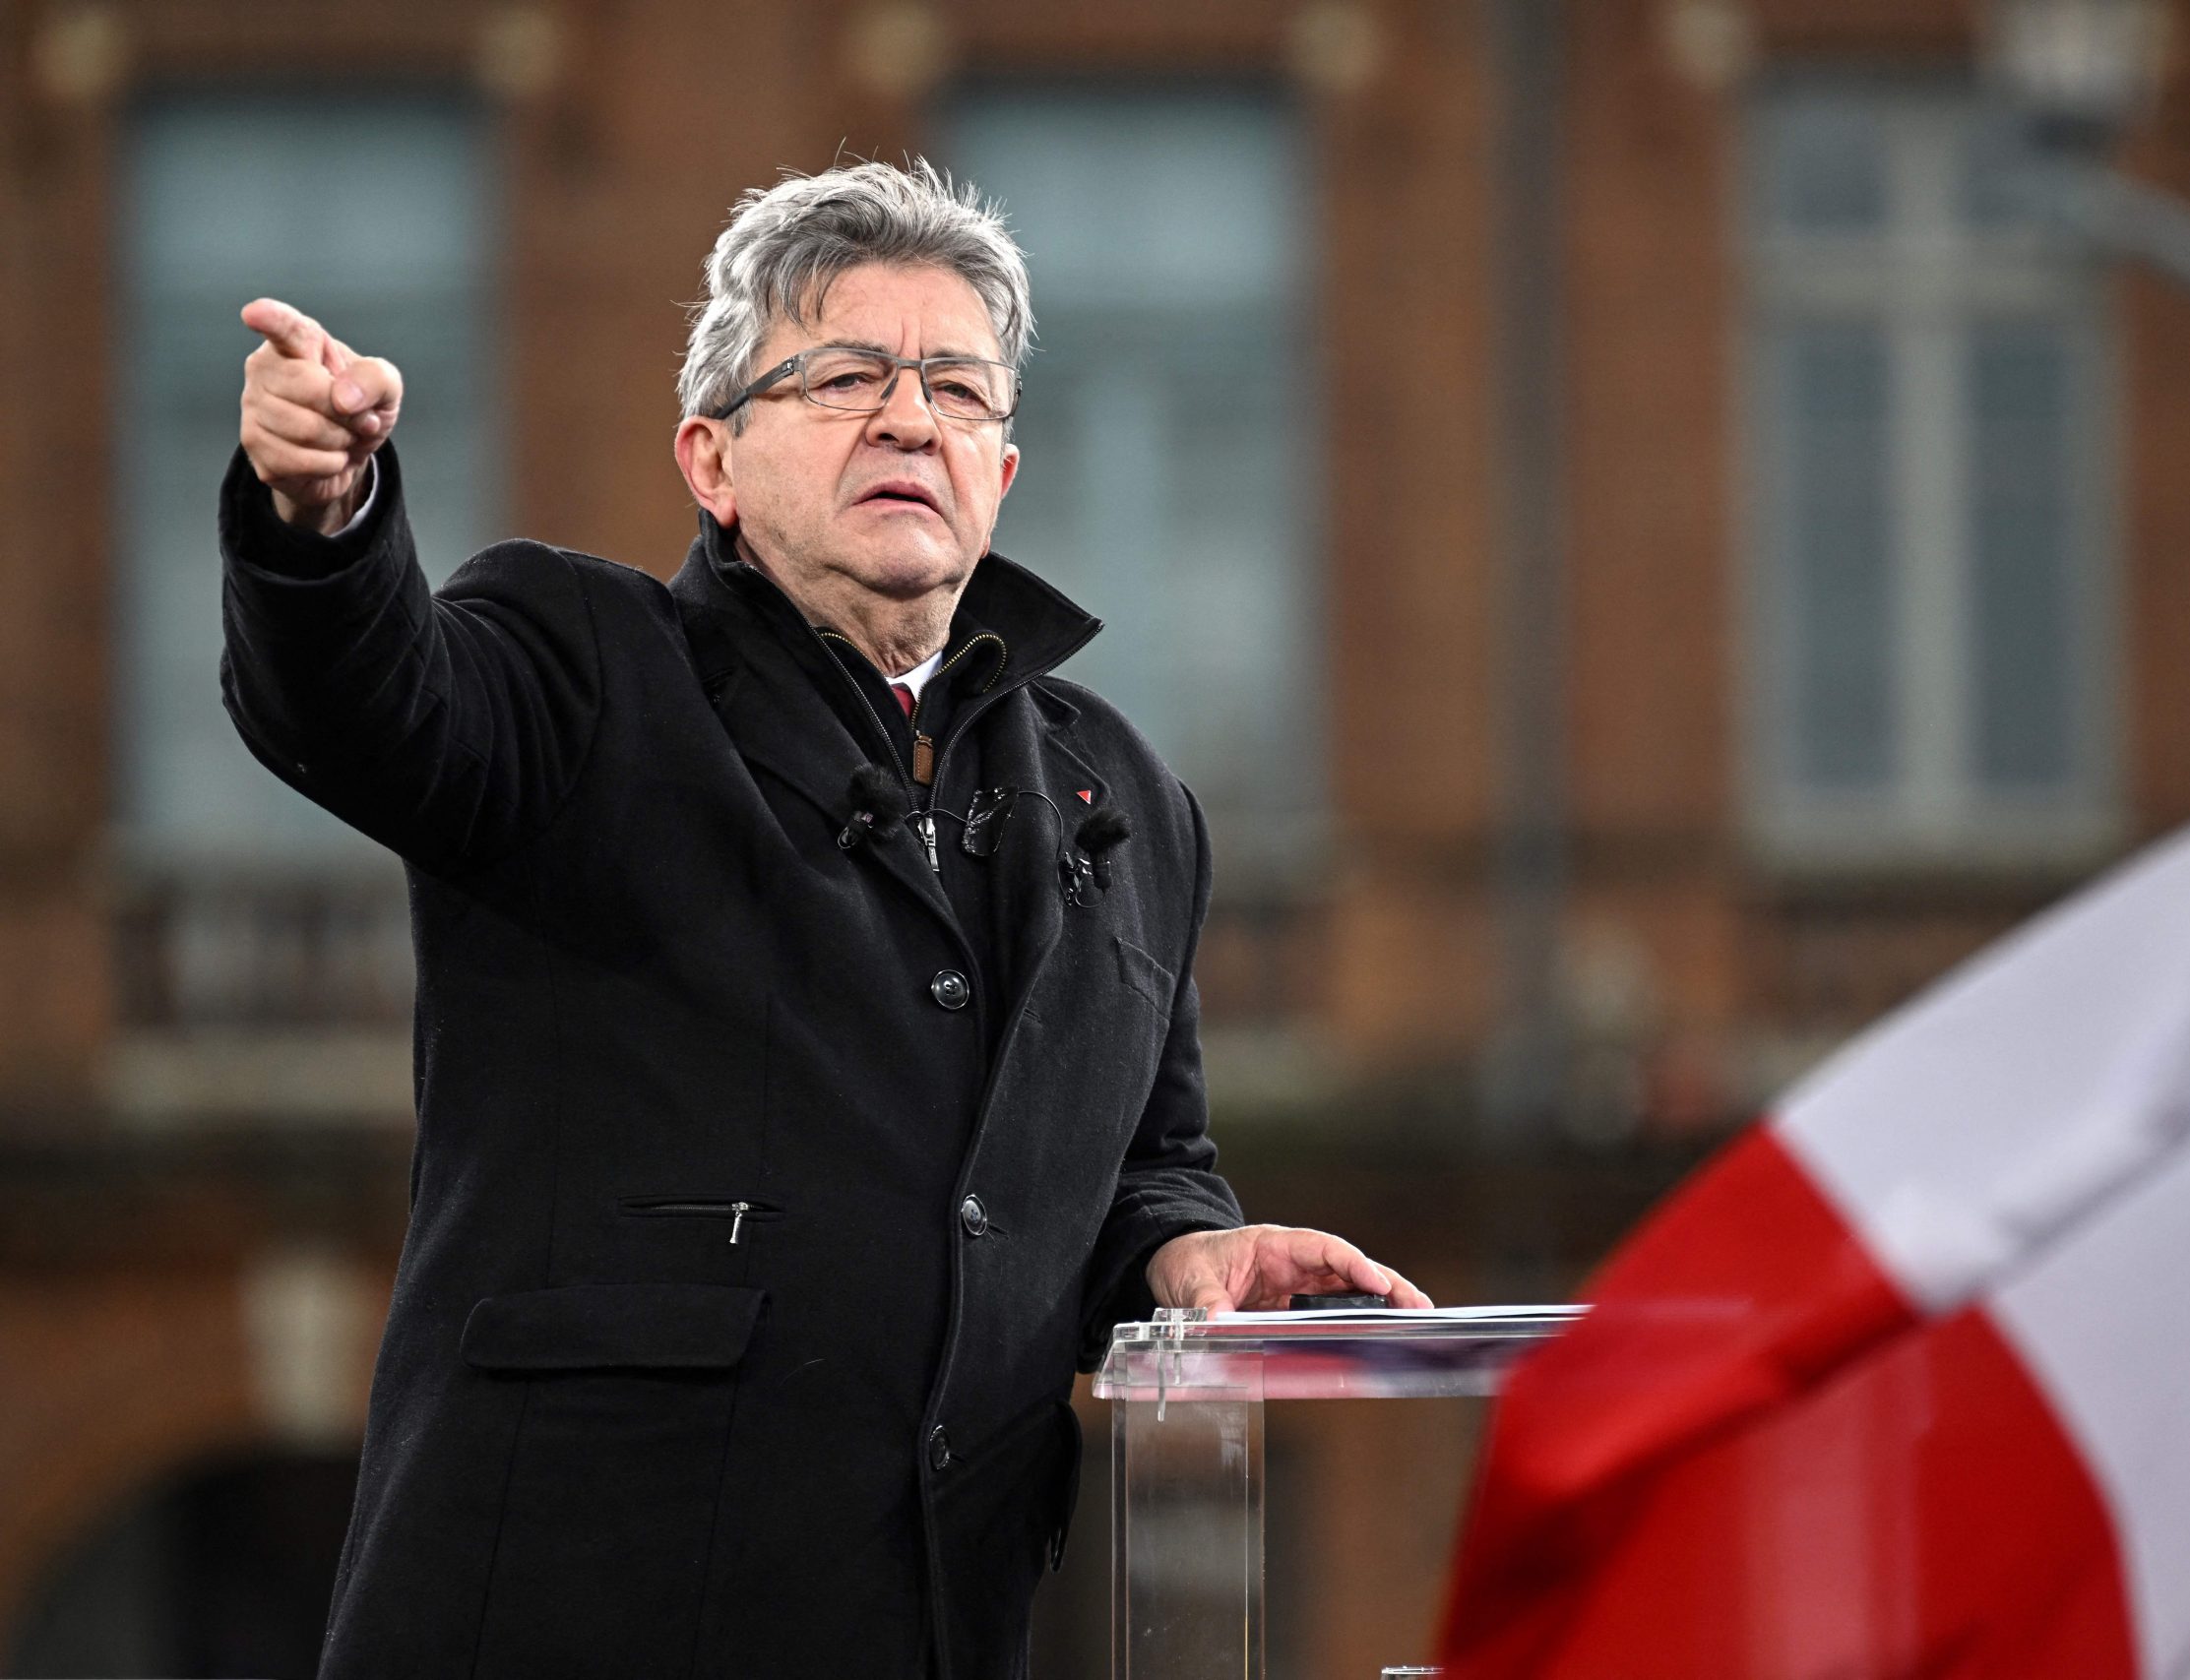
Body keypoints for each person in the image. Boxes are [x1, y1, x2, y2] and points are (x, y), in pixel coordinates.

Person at [222, 158, 1426, 1680]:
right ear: (712, 460)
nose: (909, 417)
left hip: (929, 1622)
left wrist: (1186, 1255)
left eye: (957, 389)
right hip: (567, 1617)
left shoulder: (1126, 797)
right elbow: (369, 702)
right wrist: (321, 516)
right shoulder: (579, 665)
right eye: (846, 375)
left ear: (1001, 471)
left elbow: (1143, 1163)